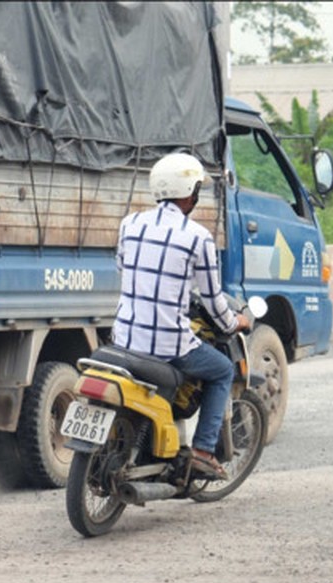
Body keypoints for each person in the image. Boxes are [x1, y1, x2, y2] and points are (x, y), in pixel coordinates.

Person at [111, 152, 251, 479]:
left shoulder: (129, 224)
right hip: (166, 346)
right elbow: (214, 301)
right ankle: (202, 452)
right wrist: (235, 323)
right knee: (219, 370)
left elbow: (123, 268)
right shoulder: (198, 237)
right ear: (191, 192)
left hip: (122, 340)